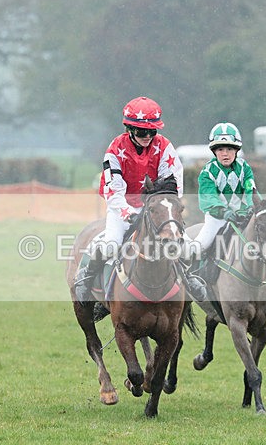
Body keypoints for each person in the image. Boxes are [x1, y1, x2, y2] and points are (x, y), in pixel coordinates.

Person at [74, 96, 207, 302]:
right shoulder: (115, 149)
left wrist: (159, 208)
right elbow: (113, 190)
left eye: (152, 131)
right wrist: (127, 212)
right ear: (130, 129)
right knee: (111, 244)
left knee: (187, 246)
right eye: (141, 131)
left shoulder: (164, 147)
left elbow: (171, 186)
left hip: (156, 210)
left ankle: (188, 277)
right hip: (123, 209)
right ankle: (87, 277)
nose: (147, 136)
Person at [190, 122, 266, 290]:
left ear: (236, 150)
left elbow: (251, 190)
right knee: (200, 245)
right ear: (214, 151)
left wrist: (255, 208)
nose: (225, 154)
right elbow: (209, 198)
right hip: (217, 218)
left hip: (243, 215)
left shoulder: (244, 168)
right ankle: (194, 278)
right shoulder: (207, 172)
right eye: (221, 149)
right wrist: (224, 211)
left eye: (230, 149)